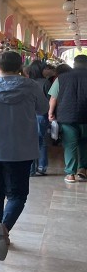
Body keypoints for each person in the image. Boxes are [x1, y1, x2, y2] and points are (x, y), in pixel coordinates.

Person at [0, 50, 48, 261]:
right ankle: (3, 229)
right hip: (22, 151)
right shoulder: (31, 87)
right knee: (18, 195)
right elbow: (43, 109)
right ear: (21, 68)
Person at [48, 54, 87, 183]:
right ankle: (82, 170)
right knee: (84, 144)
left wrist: (51, 112)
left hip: (67, 116)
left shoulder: (62, 78)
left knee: (70, 145)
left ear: (74, 64)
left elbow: (53, 97)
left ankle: (70, 174)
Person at [26, 60, 50, 176]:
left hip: (27, 115)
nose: (47, 70)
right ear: (40, 70)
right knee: (41, 141)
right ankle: (42, 166)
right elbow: (49, 100)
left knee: (29, 141)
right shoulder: (46, 83)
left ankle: (31, 168)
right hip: (41, 115)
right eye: (45, 68)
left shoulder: (27, 82)